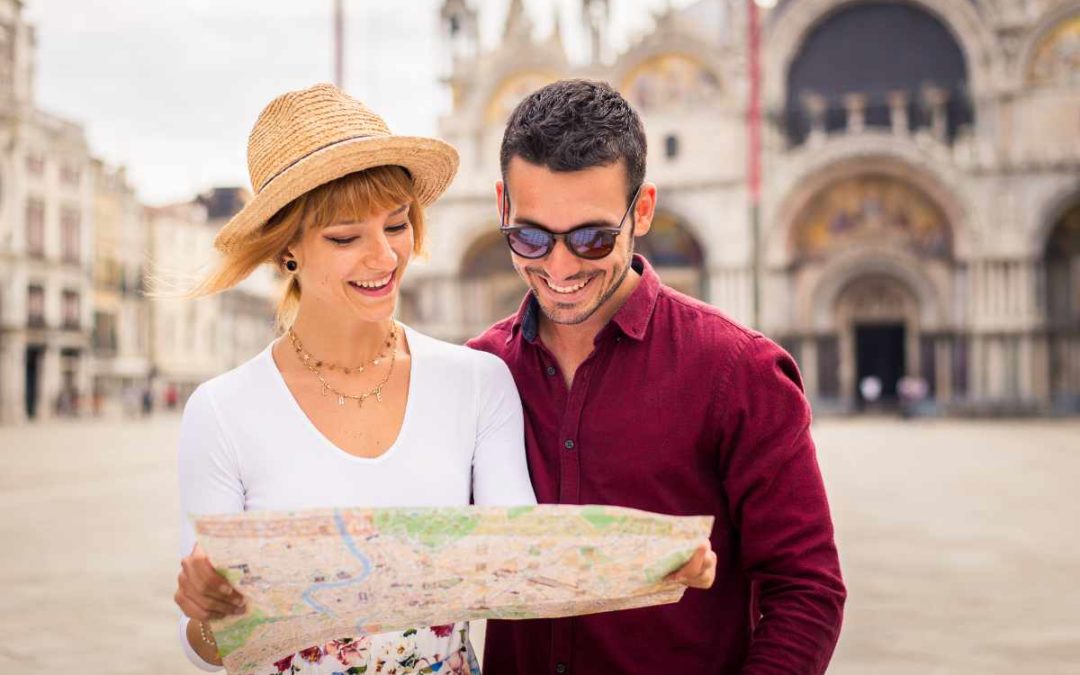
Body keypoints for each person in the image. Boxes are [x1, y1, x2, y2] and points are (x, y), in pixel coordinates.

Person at [468, 79, 846, 674]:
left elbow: (806, 591)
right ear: (503, 207)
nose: (559, 267)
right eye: (531, 237)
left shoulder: (739, 372)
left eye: (593, 238)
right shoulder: (478, 373)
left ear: (641, 211)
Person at [170, 84, 539, 675]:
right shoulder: (222, 411)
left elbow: (525, 569)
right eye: (345, 237)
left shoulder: (478, 382)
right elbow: (208, 649)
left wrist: (653, 565)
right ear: (287, 248)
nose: (385, 257)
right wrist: (210, 614)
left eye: (397, 226)